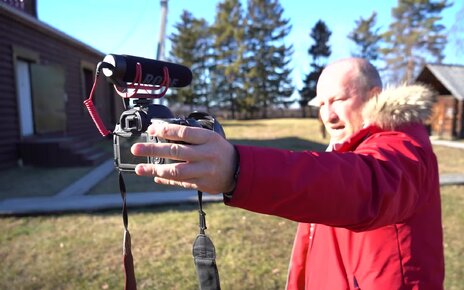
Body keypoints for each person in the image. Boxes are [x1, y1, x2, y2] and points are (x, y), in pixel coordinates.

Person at [131, 58, 445, 289]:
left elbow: (370, 185)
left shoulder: (404, 143)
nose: (328, 115)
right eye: (321, 103)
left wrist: (239, 170)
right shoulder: (340, 151)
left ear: (374, 94)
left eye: (338, 100)